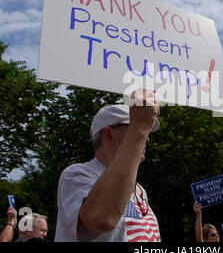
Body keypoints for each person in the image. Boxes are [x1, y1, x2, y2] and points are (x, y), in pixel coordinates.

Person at [54, 88, 161, 242]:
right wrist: (139, 128)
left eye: (148, 131)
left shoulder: (139, 190)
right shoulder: (76, 174)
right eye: (133, 126)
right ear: (109, 134)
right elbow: (100, 219)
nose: (147, 137)